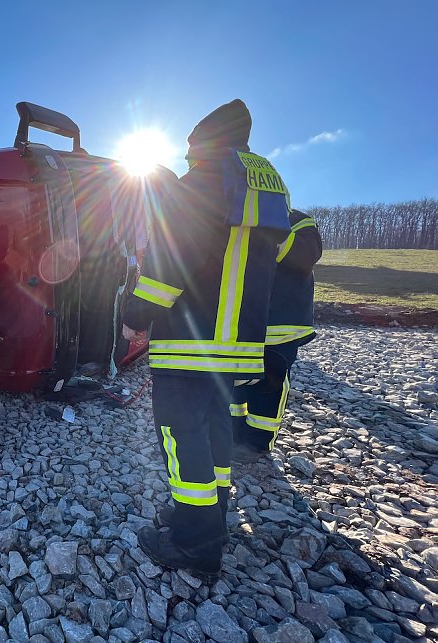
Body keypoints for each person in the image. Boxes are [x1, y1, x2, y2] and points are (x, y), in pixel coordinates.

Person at [122, 99, 290, 580]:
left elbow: (169, 262)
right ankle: (210, 514)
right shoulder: (263, 185)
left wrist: (137, 314)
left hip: (190, 338)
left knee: (180, 432)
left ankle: (194, 543)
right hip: (238, 342)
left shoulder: (201, 181)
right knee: (215, 425)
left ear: (201, 144)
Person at [231, 209, 322, 461]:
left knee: (270, 384)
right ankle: (232, 433)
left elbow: (307, 255)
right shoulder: (240, 217)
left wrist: (269, 229)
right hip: (243, 324)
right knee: (235, 381)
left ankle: (257, 443)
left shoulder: (297, 220)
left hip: (280, 327)